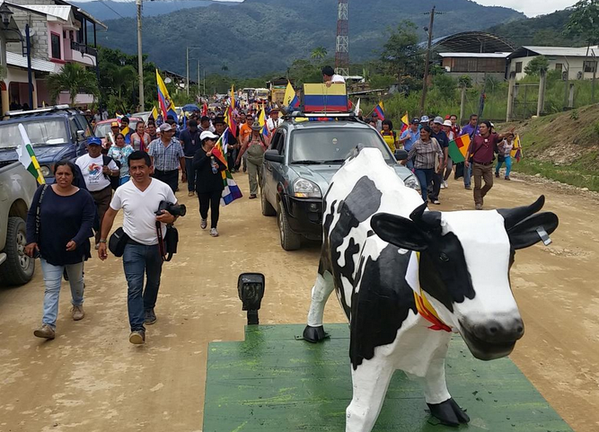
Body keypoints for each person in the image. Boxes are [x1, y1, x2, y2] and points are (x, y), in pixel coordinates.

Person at [98, 151, 179, 344]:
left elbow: (176, 210)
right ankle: (137, 328)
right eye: (133, 168)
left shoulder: (163, 188)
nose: (137, 172)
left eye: (141, 167)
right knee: (134, 285)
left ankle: (148, 307)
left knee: (154, 281)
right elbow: (110, 214)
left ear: (150, 167)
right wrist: (102, 240)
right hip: (132, 245)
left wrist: (171, 218)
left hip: (157, 245)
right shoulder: (122, 191)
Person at [25, 161, 95, 340]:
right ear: (54, 174)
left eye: (67, 174)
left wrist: (77, 240)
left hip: (74, 249)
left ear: (73, 176)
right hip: (49, 248)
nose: (63, 177)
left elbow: (88, 222)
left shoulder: (83, 196)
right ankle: (48, 325)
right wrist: (31, 240)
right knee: (51, 287)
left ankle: (77, 304)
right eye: (59, 174)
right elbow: (31, 215)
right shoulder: (43, 192)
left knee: (76, 281)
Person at [76, 137, 119, 247]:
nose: (93, 148)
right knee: (92, 216)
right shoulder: (80, 161)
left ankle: (100, 239)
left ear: (100, 148)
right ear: (87, 147)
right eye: (91, 146)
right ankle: (97, 230)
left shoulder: (107, 160)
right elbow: (76, 176)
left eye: (96, 146)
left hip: (104, 192)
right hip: (88, 193)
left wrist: (109, 171)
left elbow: (117, 172)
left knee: (103, 215)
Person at [465, 121, 509, 210]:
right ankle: (478, 202)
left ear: (488, 128)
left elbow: (500, 136)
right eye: (480, 127)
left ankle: (479, 195)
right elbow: (469, 150)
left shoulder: (493, 137)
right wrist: (466, 160)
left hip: (488, 165)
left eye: (483, 127)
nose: (481, 129)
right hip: (477, 164)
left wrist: (508, 133)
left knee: (489, 184)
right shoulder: (476, 138)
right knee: (477, 185)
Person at [194, 131, 227, 237]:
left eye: (214, 140)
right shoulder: (199, 153)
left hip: (216, 184)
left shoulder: (216, 152)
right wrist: (206, 156)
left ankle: (214, 227)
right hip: (203, 185)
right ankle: (204, 217)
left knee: (215, 206)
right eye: (211, 140)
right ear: (205, 141)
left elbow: (224, 165)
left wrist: (219, 167)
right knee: (203, 207)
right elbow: (195, 166)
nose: (213, 142)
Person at [407, 126, 443, 203]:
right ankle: (424, 201)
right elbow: (409, 156)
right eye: (421, 132)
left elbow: (440, 153)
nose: (422, 134)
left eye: (424, 132)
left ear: (429, 133)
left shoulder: (434, 142)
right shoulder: (416, 144)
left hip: (431, 168)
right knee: (423, 185)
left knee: (427, 185)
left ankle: (428, 197)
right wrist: (400, 165)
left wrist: (440, 164)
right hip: (420, 168)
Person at [148, 123, 186, 193]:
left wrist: (184, 172)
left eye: (170, 131)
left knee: (171, 193)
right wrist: (150, 169)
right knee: (159, 193)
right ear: (162, 133)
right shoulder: (154, 144)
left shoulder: (177, 144)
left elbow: (181, 158)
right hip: (158, 173)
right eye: (167, 132)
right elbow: (150, 157)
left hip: (172, 174)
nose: (170, 133)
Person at [236, 122, 268, 200]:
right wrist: (238, 158)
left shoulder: (263, 137)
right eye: (255, 130)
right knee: (252, 177)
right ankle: (253, 192)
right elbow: (243, 148)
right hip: (251, 160)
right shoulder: (248, 138)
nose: (256, 132)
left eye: (257, 130)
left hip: (261, 159)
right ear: (252, 130)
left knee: (262, 176)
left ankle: (264, 191)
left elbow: (269, 146)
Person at [429, 117, 449, 205]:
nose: (435, 126)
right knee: (428, 176)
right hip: (428, 157)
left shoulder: (443, 135)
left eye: (438, 124)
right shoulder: (429, 132)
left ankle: (434, 196)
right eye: (435, 124)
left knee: (438, 177)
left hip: (439, 158)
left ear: (441, 126)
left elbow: (446, 147)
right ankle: (429, 192)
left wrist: (445, 159)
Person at [179, 119, 202, 196]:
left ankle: (199, 189)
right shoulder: (183, 133)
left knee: (199, 174)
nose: (193, 129)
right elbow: (181, 143)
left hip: (198, 156)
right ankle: (191, 189)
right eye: (191, 127)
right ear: (188, 126)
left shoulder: (200, 132)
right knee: (190, 174)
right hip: (188, 156)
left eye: (194, 127)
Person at [460, 114, 480, 191]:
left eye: (476, 120)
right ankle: (467, 183)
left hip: (476, 151)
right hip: (467, 151)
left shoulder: (479, 128)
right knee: (467, 167)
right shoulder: (465, 128)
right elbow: (460, 138)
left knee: (474, 168)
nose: (475, 121)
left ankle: (468, 177)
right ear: (470, 120)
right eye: (473, 119)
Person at [442, 119, 456, 187]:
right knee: (441, 168)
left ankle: (445, 179)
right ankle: (440, 181)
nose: (445, 127)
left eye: (447, 126)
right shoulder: (441, 133)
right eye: (444, 126)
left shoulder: (452, 134)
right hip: (441, 152)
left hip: (449, 153)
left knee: (449, 168)